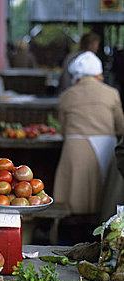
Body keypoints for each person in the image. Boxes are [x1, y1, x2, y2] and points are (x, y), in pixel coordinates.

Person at [53, 52, 124, 216]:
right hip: (107, 150)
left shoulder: (66, 96)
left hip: (75, 152)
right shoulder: (111, 93)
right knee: (106, 198)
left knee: (76, 201)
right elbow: (121, 127)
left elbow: (63, 130)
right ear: (99, 75)